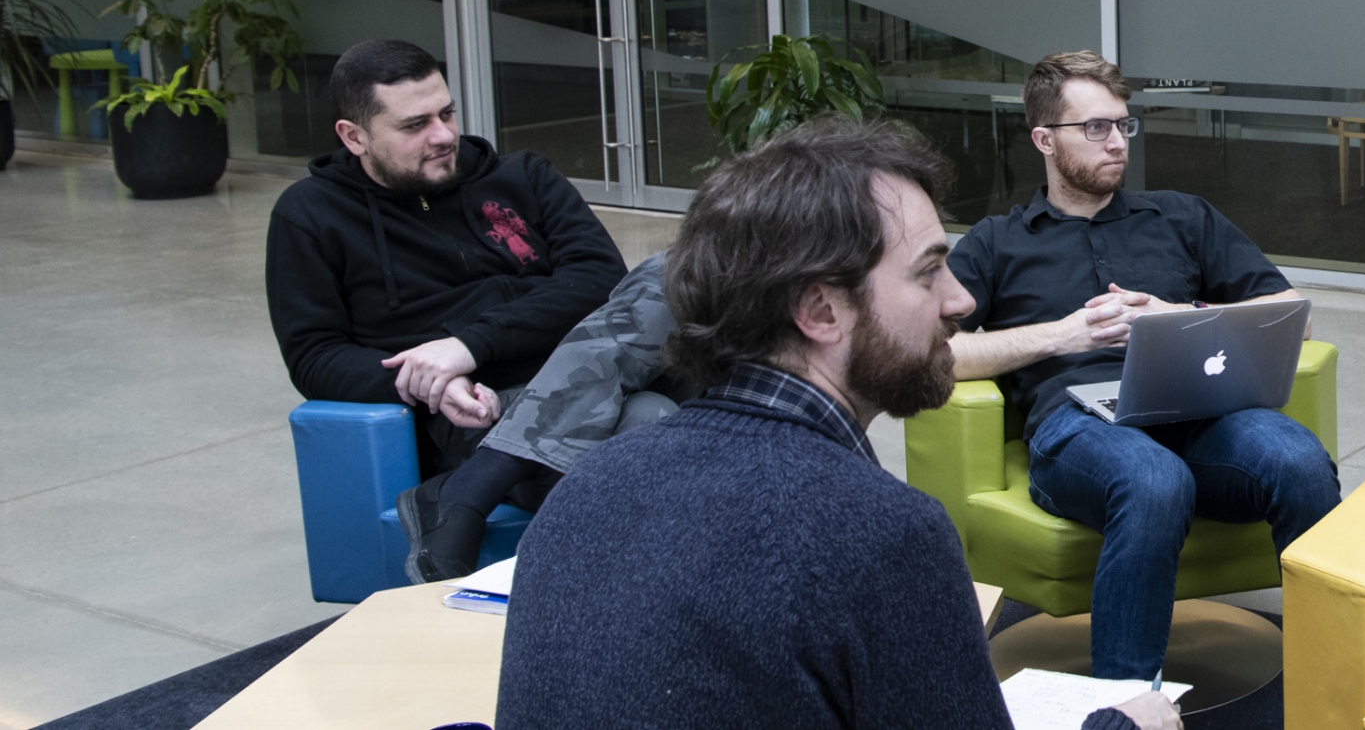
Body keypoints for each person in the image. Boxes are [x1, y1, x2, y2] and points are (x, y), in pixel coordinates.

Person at [497, 116, 1176, 730]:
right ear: (821, 311)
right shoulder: (882, 534)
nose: (960, 299)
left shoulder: (588, 485)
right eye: (928, 272)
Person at [946, 50, 1341, 681]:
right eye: (1095, 127)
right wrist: (1060, 334)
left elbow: (1294, 311)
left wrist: (1179, 314)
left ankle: (1334, 674)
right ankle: (1127, 702)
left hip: (1201, 414)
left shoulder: (1181, 216)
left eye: (1123, 125)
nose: (1116, 142)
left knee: (1298, 459)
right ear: (1044, 139)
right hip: (1079, 430)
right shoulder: (998, 242)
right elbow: (936, 354)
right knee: (1154, 479)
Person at [264, 39, 625, 581]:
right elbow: (315, 356)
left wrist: (467, 345)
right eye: (415, 126)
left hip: (592, 370)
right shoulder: (310, 217)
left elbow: (600, 280)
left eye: (447, 113)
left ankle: (464, 494)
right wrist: (424, 381)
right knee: (653, 428)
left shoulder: (522, 176)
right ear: (354, 136)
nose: (444, 136)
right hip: (478, 410)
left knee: (667, 274)